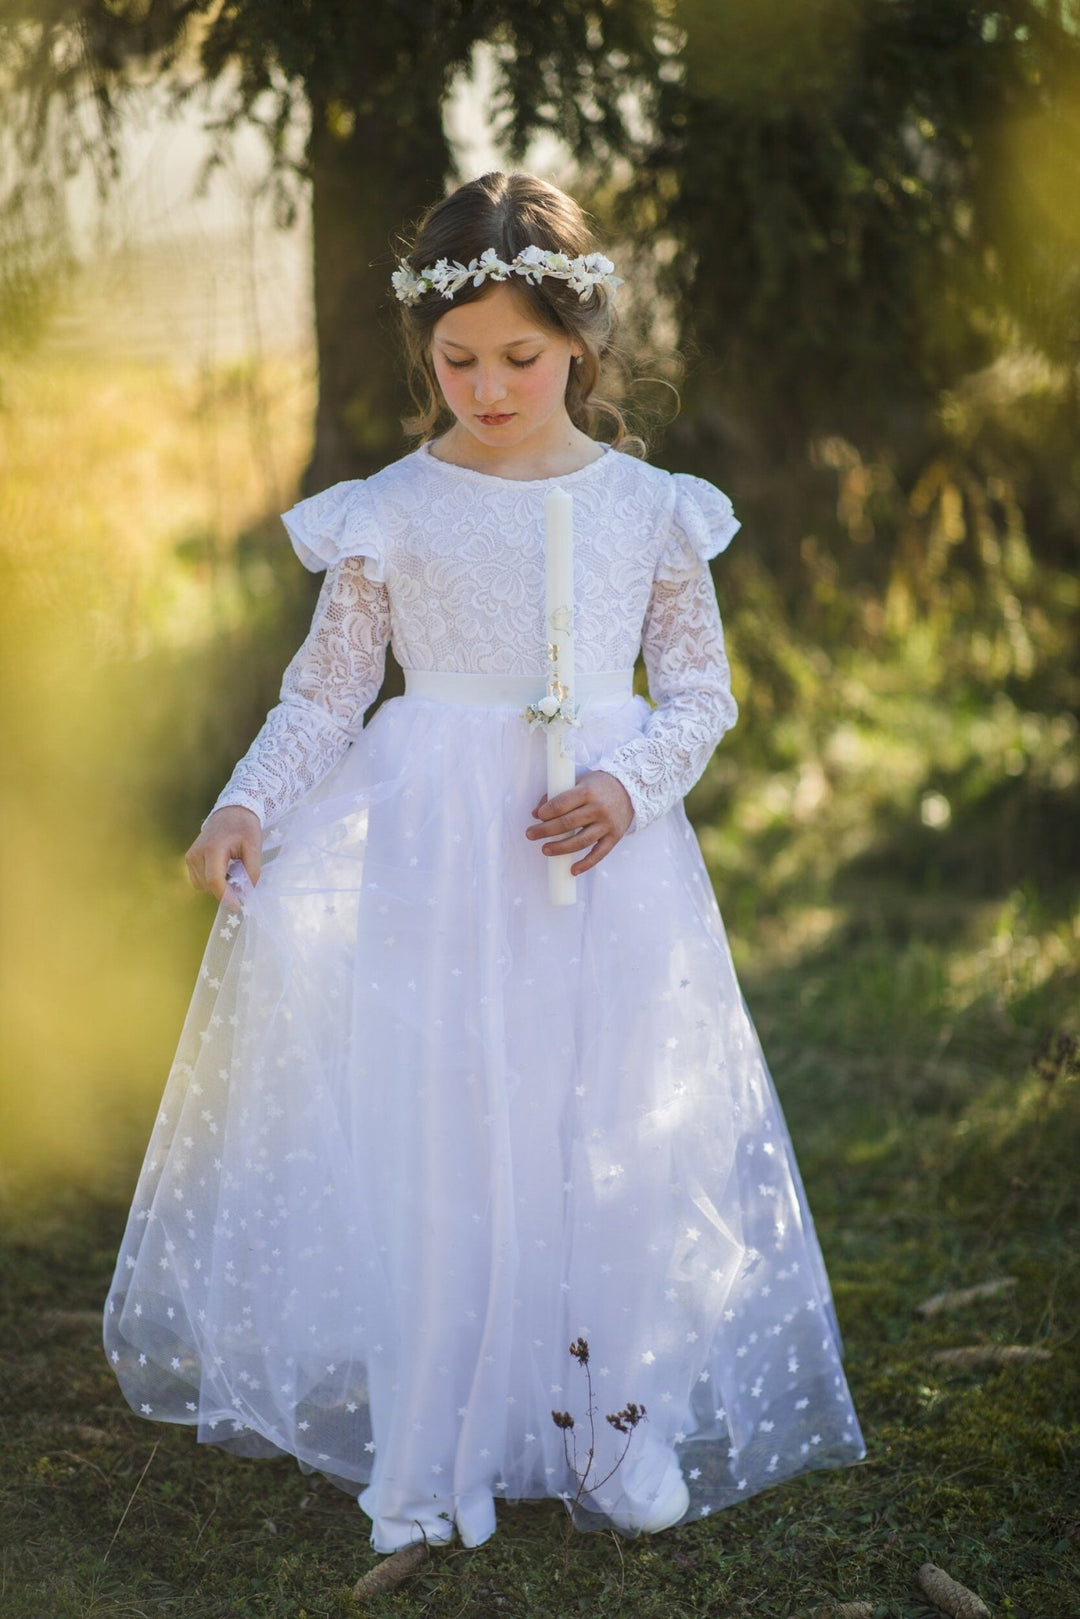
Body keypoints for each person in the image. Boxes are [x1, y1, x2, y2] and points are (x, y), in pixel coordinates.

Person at [103, 170, 865, 1556]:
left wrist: (631, 786)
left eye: (520, 357)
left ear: (580, 344)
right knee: (444, 1143)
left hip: (601, 862)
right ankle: (429, 1452)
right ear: (423, 353)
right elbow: (326, 697)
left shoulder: (648, 508)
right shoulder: (389, 508)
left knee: (605, 1128)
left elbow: (700, 691)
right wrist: (243, 807)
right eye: (459, 361)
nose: (490, 387)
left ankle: (611, 1431)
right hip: (440, 859)